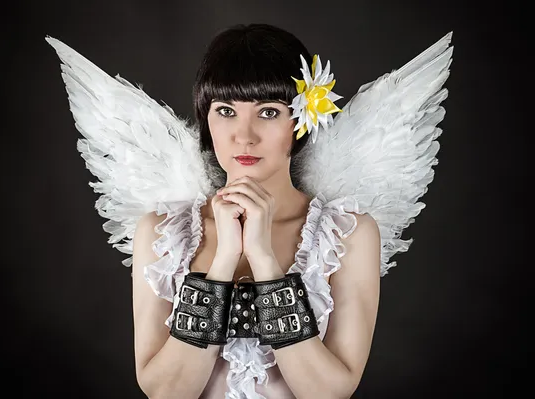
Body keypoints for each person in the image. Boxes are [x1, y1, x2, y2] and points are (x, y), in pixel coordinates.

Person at [47, 23, 452, 399]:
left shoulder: (349, 234)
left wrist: (263, 259)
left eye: (269, 112)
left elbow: (330, 392)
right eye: (226, 110)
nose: (244, 135)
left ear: (301, 121)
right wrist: (223, 261)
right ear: (206, 119)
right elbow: (165, 392)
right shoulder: (160, 231)